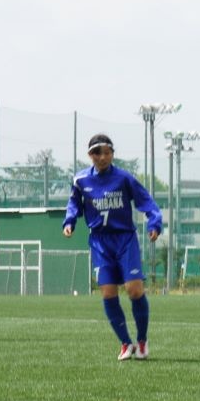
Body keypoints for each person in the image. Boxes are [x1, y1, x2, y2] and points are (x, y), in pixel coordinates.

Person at [63, 134, 162, 361]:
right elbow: (74, 204)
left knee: (134, 290)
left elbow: (146, 201)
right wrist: (69, 222)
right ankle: (126, 343)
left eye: (107, 153)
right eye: (98, 153)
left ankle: (142, 340)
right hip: (100, 242)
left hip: (125, 239)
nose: (103, 157)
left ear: (112, 154)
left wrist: (154, 223)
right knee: (108, 293)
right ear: (90, 155)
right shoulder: (80, 180)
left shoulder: (124, 178)